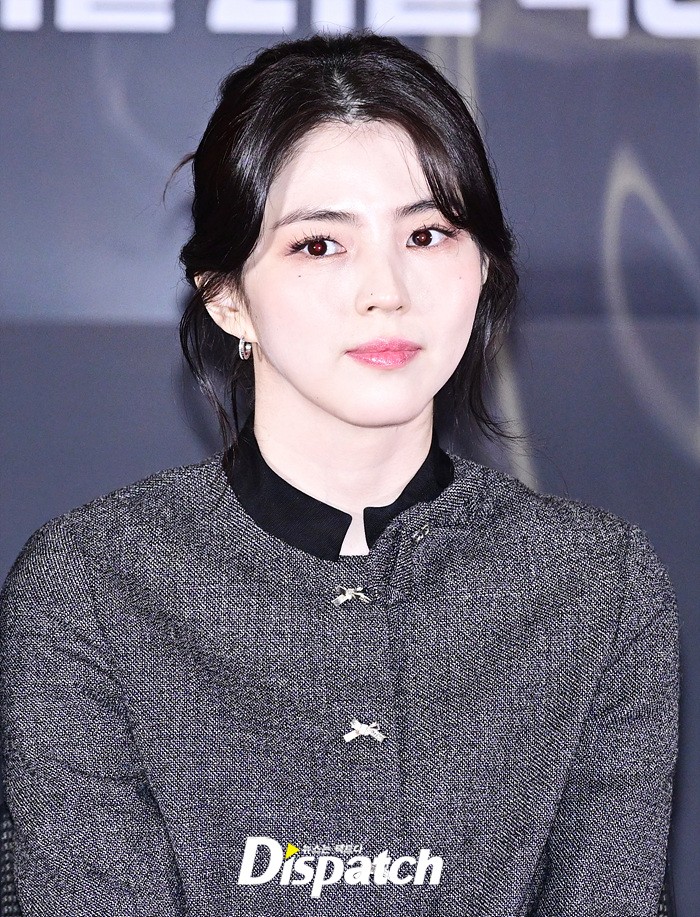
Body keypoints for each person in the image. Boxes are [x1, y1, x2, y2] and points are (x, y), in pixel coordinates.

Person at [0, 29, 679, 917]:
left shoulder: (600, 587)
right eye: (320, 244)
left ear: (483, 265)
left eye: (427, 234)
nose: (386, 290)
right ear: (226, 294)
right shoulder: (91, 586)